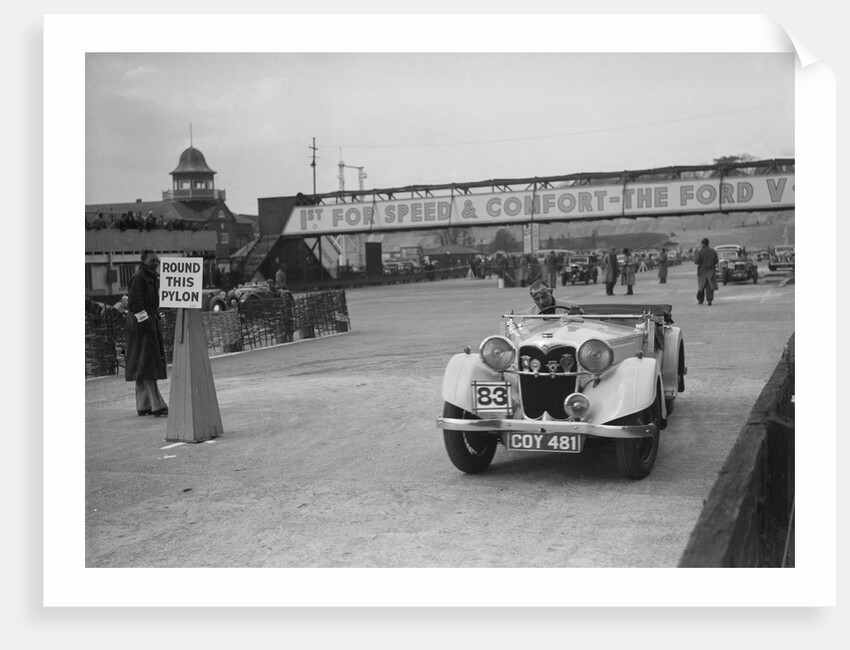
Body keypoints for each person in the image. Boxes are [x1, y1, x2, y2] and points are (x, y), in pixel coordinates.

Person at [125, 250, 168, 417]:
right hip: (141, 328)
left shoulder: (151, 278)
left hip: (146, 324)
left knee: (142, 363)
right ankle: (157, 405)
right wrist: (147, 322)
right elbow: (135, 304)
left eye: (157, 260)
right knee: (148, 363)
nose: (155, 262)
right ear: (143, 261)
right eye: (152, 260)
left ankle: (143, 405)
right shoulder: (139, 278)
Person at [694, 237, 719, 305]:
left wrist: (695, 254)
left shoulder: (700, 252)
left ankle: (700, 300)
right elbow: (716, 261)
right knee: (709, 286)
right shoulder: (713, 251)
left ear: (702, 244)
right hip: (711, 270)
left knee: (701, 286)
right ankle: (709, 299)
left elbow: (696, 262)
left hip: (702, 271)